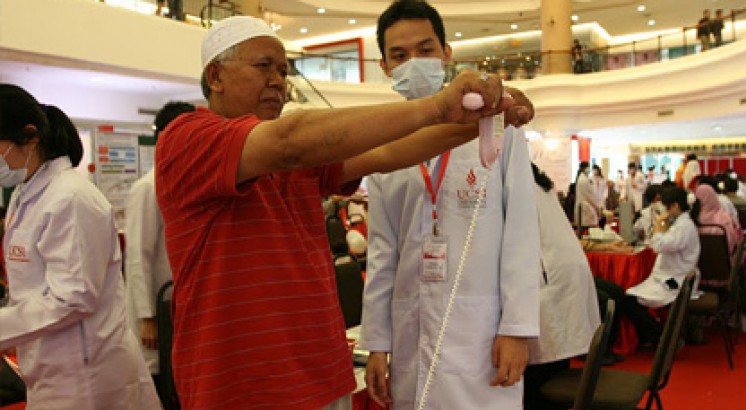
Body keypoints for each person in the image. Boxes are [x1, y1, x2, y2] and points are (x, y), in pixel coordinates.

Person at [155, 14, 524, 410]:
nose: (278, 81)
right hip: (244, 388)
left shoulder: (303, 158)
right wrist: (436, 106)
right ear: (215, 76)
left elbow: (387, 152)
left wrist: (494, 116)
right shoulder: (188, 137)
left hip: (324, 377)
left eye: (283, 70)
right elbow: (288, 141)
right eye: (263, 66)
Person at [360, 2, 539, 409]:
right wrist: (376, 342)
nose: (414, 63)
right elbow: (383, 249)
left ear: (446, 53)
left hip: (482, 329)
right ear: (385, 67)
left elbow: (522, 233)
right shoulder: (383, 141)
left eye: (425, 50)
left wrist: (517, 328)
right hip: (410, 326)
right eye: (400, 56)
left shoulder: (496, 124)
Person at [0, 84, 161, 409]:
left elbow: (74, 298)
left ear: (29, 137)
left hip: (87, 372)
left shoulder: (71, 198)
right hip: (50, 363)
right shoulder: (25, 194)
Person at [124, 101, 195, 390]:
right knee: (159, 382)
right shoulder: (148, 187)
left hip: (179, 304)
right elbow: (138, 256)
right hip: (155, 309)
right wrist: (147, 317)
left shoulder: (190, 181)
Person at [523, 164, 600, 410]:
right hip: (565, 274)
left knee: (542, 372)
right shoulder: (541, 188)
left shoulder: (522, 191)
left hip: (551, 278)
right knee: (554, 360)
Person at [626, 187, 700, 337]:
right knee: (630, 298)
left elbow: (659, 245)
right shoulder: (681, 224)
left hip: (674, 282)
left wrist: (659, 224)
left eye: (666, 207)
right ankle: (655, 335)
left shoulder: (684, 227)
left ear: (675, 206)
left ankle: (659, 337)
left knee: (629, 301)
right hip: (669, 277)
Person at [694, 184, 739, 254]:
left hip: (698, 261)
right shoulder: (724, 218)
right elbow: (732, 243)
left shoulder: (692, 220)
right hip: (724, 260)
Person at [574, 161, 600, 230]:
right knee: (587, 228)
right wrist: (597, 206)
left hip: (586, 206)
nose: (589, 169)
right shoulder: (583, 180)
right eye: (588, 167)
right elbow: (589, 196)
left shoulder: (584, 178)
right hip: (585, 207)